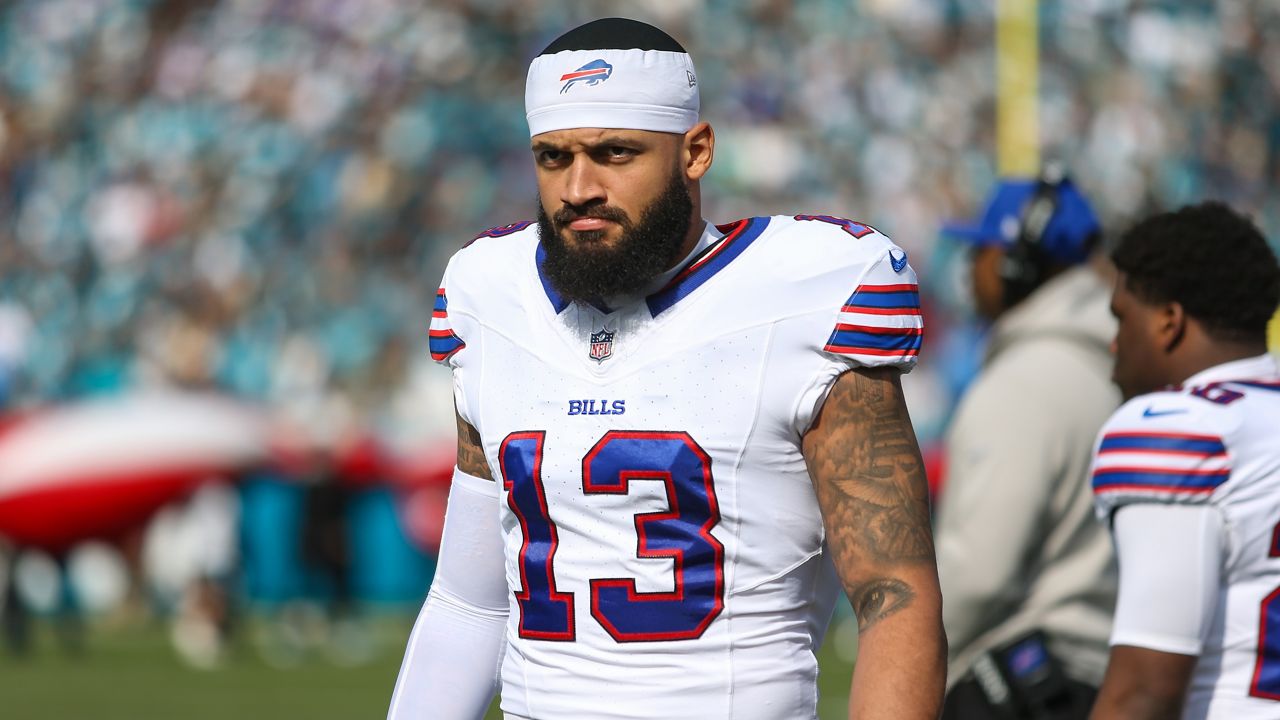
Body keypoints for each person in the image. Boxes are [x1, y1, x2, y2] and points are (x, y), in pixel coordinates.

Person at [387, 17, 945, 720]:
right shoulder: (488, 292)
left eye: (614, 153)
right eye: (553, 158)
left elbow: (895, 596)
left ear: (695, 151)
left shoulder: (806, 290)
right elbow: (469, 604)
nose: (578, 187)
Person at [934, 169, 1120, 718]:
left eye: (984, 251)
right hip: (1097, 675)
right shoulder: (1109, 366)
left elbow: (979, 574)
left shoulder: (1025, 381)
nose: (971, 268)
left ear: (1016, 263)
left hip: (1024, 683)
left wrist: (906, 656)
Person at [1088, 202, 1280, 719]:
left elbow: (1144, 692)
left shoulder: (1178, 428)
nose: (1114, 342)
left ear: (1169, 322)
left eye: (1122, 317)